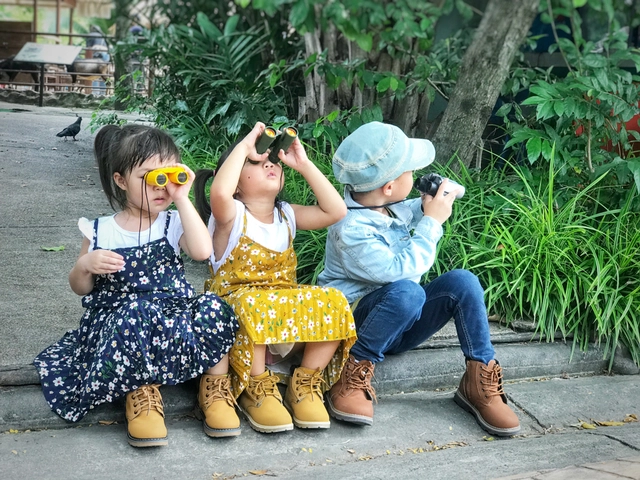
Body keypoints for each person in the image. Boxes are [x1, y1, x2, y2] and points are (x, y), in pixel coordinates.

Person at [34, 124, 240, 447]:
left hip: (171, 320)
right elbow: (80, 287)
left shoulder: (172, 223)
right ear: (120, 180)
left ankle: (214, 388)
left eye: (169, 176)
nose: (163, 187)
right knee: (135, 312)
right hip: (123, 329)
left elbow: (203, 252)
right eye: (150, 178)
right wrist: (85, 266)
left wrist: (183, 199)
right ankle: (141, 393)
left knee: (214, 306)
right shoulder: (101, 230)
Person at [318, 121, 521, 436]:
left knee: (464, 282)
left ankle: (479, 379)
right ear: (388, 187)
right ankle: (351, 375)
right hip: (352, 329)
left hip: (398, 323)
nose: (413, 180)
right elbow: (404, 273)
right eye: (409, 173)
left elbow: (443, 198)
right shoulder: (350, 229)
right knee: (409, 292)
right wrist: (431, 222)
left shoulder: (387, 205)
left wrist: (441, 192)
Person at [194, 123, 357, 434]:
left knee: (333, 298)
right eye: (254, 162)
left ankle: (305, 385)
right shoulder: (229, 215)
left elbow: (336, 211)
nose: (268, 162)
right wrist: (244, 147)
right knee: (255, 303)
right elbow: (219, 191)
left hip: (281, 323)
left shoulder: (287, 216)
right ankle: (257, 387)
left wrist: (304, 164)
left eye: (273, 160)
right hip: (238, 319)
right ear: (236, 183)